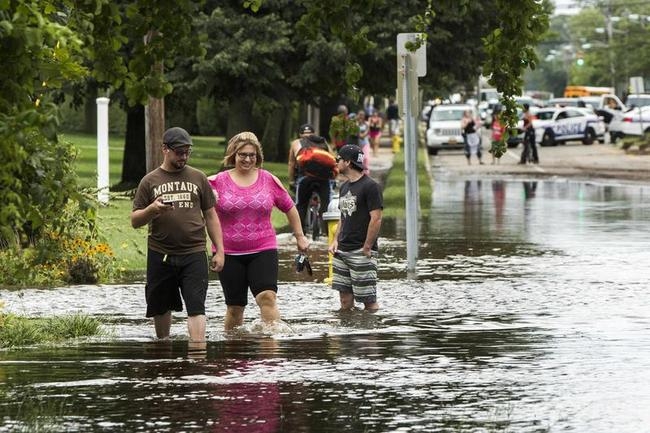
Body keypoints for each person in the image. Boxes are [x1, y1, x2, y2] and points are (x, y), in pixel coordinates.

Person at [208, 131, 310, 331]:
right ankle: (234, 354)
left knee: (267, 297)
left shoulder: (268, 180)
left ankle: (271, 354)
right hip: (228, 252)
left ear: (258, 156)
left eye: (251, 155)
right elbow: (198, 207)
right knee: (235, 307)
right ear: (233, 155)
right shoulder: (215, 182)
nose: (247, 159)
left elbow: (290, 207)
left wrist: (300, 236)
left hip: (263, 249)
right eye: (242, 155)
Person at [131, 126, 225, 343]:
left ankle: (198, 351)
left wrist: (219, 250)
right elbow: (135, 220)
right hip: (160, 252)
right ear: (165, 149)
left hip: (194, 252)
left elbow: (210, 215)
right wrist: (152, 209)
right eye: (179, 152)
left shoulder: (198, 178)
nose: (183, 157)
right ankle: (163, 348)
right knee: (161, 306)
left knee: (196, 306)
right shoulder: (149, 181)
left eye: (187, 152)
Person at [328, 144, 383, 311]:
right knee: (345, 301)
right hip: (342, 251)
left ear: (348, 162)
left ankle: (371, 332)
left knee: (369, 301)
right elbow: (343, 218)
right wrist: (335, 240)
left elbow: (376, 219)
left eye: (338, 159)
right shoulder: (344, 187)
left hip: (361, 251)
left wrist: (367, 246)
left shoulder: (370, 186)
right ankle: (347, 332)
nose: (336, 162)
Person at [288, 124, 337, 235]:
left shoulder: (296, 143)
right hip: (324, 179)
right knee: (327, 206)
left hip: (305, 178)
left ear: (300, 135)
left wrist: (291, 180)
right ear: (314, 134)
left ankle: (299, 234)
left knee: (301, 205)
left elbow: (291, 163)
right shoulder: (323, 142)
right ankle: (327, 234)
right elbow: (333, 160)